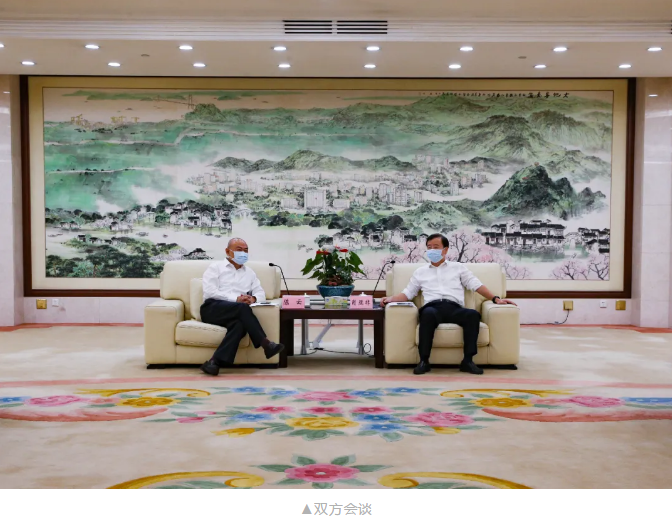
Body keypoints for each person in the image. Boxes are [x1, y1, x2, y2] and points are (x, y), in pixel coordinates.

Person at [380, 233, 517, 375]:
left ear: (445, 250)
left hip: (454, 308)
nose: (432, 250)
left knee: (472, 315)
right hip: (432, 308)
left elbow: (475, 285)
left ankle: (468, 361)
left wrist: (495, 299)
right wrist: (391, 298)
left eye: (436, 247)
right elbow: (408, 293)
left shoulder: (458, 268)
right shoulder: (420, 272)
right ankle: (424, 361)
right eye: (429, 247)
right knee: (427, 314)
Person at [199, 238, 284, 376]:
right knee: (242, 308)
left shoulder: (249, 272)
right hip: (212, 309)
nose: (243, 253)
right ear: (228, 251)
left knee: (239, 325)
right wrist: (236, 299)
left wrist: (253, 298)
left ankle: (214, 363)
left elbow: (261, 293)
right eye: (239, 250)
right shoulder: (215, 267)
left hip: (235, 312)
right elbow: (210, 292)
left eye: (246, 250)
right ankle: (265, 343)